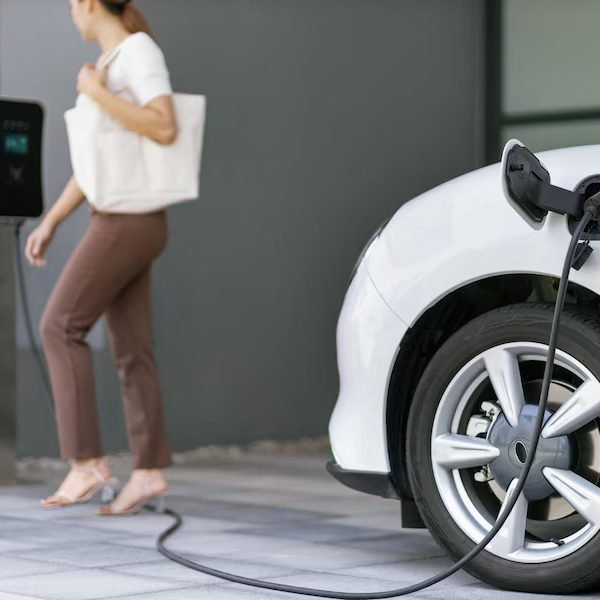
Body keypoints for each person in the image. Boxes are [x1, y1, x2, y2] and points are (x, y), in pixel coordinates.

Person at [25, 0, 178, 515]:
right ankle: (149, 471)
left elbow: (164, 126)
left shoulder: (137, 53)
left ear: (90, 3)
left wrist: (93, 93)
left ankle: (86, 461)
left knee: (58, 326)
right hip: (123, 215)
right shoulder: (114, 62)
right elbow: (95, 166)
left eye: (71, 3)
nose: (70, 12)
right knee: (132, 348)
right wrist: (51, 222)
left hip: (126, 220)